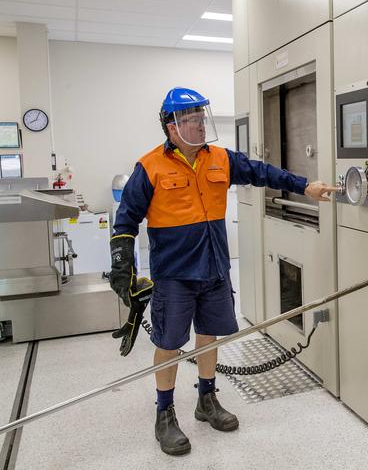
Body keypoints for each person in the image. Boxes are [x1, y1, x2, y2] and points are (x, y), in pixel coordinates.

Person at [110, 87, 336, 456]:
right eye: (192, 120)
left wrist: (303, 186)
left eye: (202, 119)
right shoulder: (149, 167)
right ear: (172, 126)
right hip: (175, 275)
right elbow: (126, 221)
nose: (201, 126)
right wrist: (122, 264)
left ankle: (206, 399)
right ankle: (164, 413)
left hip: (214, 268)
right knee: (169, 344)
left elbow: (263, 173)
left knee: (209, 336)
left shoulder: (220, 159)